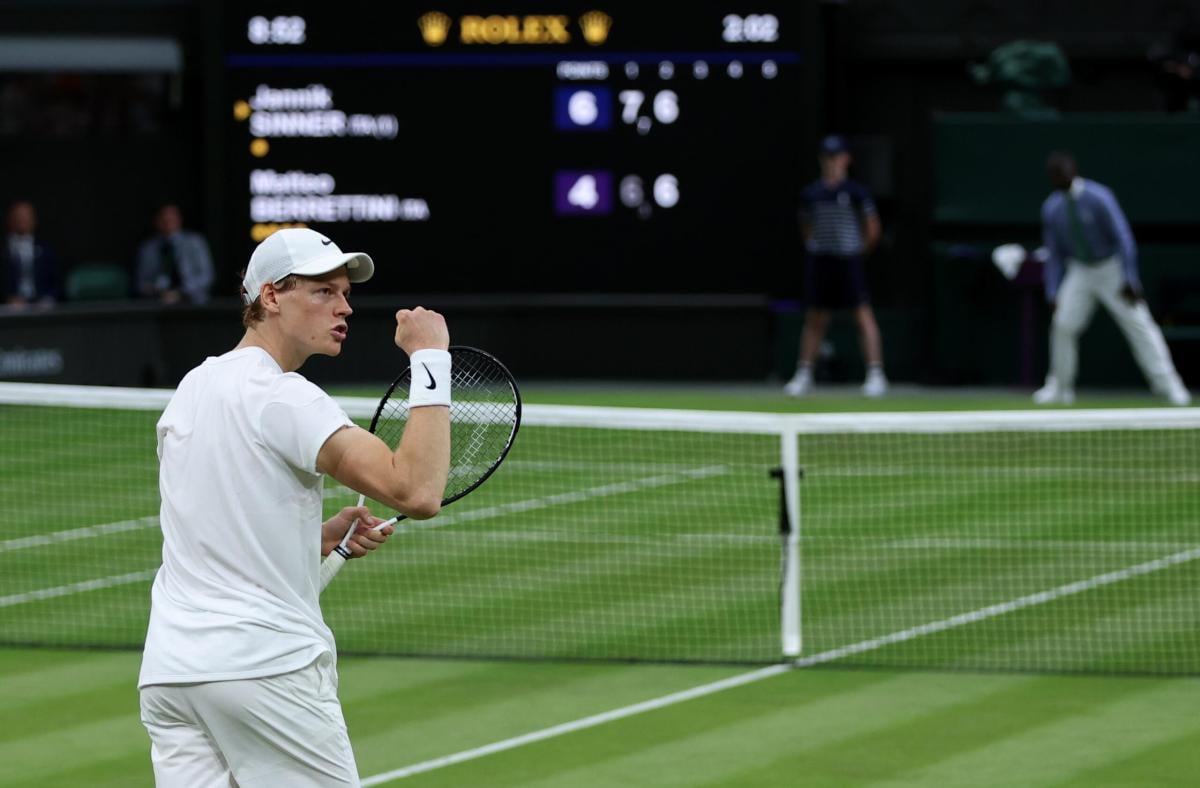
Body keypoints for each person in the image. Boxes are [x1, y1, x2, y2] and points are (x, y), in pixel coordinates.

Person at [138, 227, 452, 786]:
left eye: (345, 293)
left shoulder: (192, 388)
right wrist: (430, 358)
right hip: (263, 672)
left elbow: (217, 535)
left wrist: (321, 537)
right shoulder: (284, 395)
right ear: (270, 297)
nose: (345, 307)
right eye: (323, 291)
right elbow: (417, 491)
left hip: (171, 677)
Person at [1033, 151, 1190, 406]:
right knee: (1062, 325)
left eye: (1061, 173)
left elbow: (1123, 239)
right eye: (1054, 175)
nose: (1058, 178)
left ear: (1072, 171)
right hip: (1080, 271)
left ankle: (1170, 386)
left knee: (1139, 325)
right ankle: (1060, 388)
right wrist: (1053, 292)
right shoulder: (1052, 208)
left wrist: (1129, 279)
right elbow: (1054, 255)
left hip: (1111, 269)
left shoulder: (1099, 197)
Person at [783, 135, 888, 397]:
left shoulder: (856, 193)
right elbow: (806, 228)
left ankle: (876, 375)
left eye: (836, 156)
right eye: (827, 157)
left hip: (848, 261)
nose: (832, 162)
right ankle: (804, 374)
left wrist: (858, 250)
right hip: (821, 261)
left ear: (846, 159)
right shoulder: (811, 194)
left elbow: (872, 227)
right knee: (815, 318)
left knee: (863, 316)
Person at [135, 202, 216, 304]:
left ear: (179, 219)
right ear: (156, 221)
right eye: (163, 219)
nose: (167, 222)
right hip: (158, 303)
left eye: (171, 218)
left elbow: (207, 277)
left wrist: (180, 292)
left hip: (194, 302)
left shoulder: (195, 242)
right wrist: (157, 291)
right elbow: (141, 283)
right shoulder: (148, 249)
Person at [1, 199, 60, 308]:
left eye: (26, 216)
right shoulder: (3, 249)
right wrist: (7, 299)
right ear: (9, 220)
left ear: (34, 220)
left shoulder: (46, 249)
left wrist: (48, 298)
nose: (22, 220)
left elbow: (56, 281)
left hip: (42, 304)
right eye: (18, 216)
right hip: (9, 306)